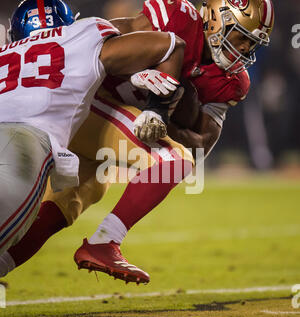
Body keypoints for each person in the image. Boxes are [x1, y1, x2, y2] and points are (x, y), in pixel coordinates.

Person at [0, 0, 274, 284]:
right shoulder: (178, 17)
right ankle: (105, 242)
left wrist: (165, 119)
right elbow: (106, 38)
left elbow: (201, 146)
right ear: (218, 19)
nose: (244, 50)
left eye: (252, 44)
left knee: (74, 197)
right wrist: (145, 84)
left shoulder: (232, 81)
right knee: (173, 160)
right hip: (88, 103)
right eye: (242, 37)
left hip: (106, 126)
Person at [0, 0, 187, 262]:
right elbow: (170, 43)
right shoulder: (81, 33)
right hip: (25, 142)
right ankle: (107, 240)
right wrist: (157, 109)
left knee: (82, 189)